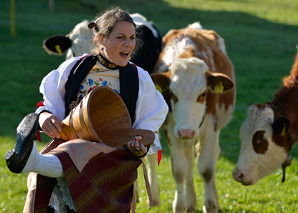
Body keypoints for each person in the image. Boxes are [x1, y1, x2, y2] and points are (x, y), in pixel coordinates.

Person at [5, 7, 168, 212]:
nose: (129, 44)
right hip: (68, 141)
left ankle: (33, 161)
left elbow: (147, 130)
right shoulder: (74, 68)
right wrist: (45, 116)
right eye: (120, 37)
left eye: (132, 37)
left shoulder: (140, 79)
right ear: (100, 38)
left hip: (114, 155)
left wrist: (140, 146)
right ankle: (35, 164)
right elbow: (49, 106)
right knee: (42, 177)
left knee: (77, 149)